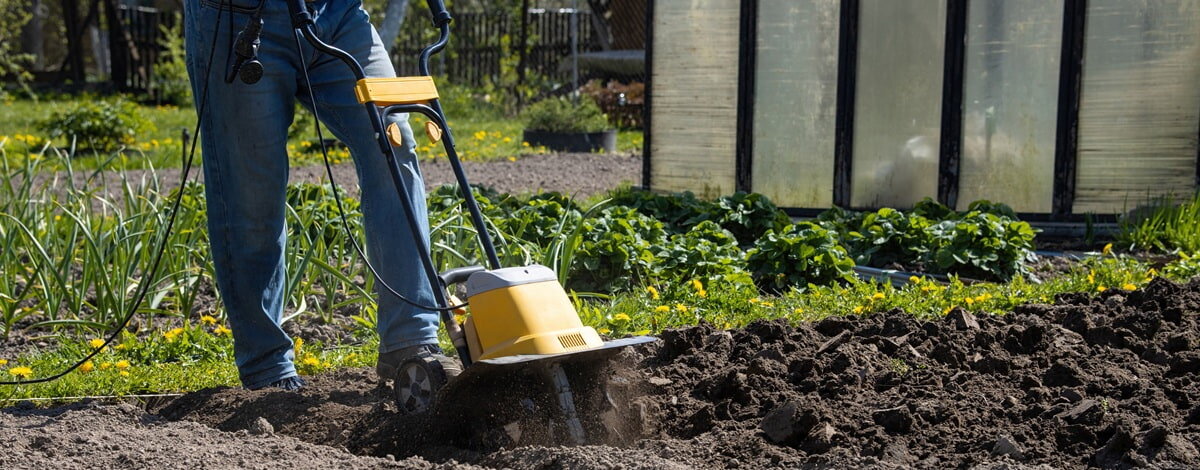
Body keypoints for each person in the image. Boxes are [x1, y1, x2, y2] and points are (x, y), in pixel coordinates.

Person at [183, 0, 458, 390]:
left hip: (338, 13)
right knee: (251, 192)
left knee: (392, 146)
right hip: (238, 18)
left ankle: (411, 343)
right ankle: (268, 368)